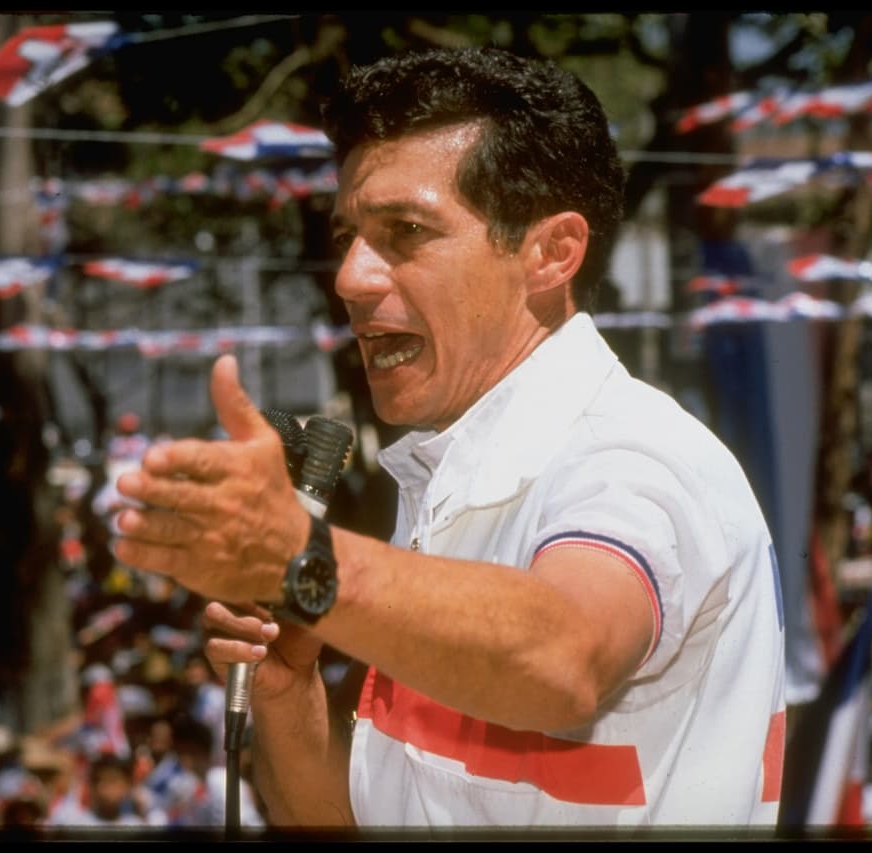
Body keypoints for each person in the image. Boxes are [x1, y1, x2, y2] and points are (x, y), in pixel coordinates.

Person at [110, 46, 786, 832]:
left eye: (405, 231)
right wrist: (285, 688)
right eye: (349, 236)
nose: (352, 278)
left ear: (552, 253)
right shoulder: (448, 470)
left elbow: (564, 655)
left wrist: (305, 558)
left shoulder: (635, 458)